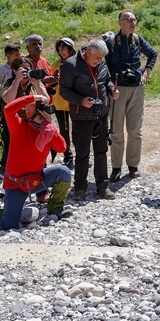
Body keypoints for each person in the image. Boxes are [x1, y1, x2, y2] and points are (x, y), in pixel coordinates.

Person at [0, 94, 74, 230]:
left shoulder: (47, 131)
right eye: (37, 107)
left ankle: (55, 208)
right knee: (7, 226)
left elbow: (62, 147)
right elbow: (8, 109)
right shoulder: (18, 126)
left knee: (64, 172)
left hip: (36, 180)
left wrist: (50, 126)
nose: (41, 111)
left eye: (41, 107)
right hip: (15, 184)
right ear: (27, 113)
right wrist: (32, 97)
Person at [59, 39, 119, 200]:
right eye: (97, 58)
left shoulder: (101, 61)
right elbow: (64, 91)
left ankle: (103, 187)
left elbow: (106, 80)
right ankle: (80, 188)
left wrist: (112, 89)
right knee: (82, 154)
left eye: (101, 59)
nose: (99, 61)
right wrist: (81, 101)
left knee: (101, 151)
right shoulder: (70, 65)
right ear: (88, 52)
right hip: (81, 117)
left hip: (101, 115)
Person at [106, 11, 158, 182]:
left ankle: (133, 166)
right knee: (117, 131)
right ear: (120, 22)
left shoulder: (138, 39)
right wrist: (109, 87)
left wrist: (146, 73)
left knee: (135, 130)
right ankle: (115, 168)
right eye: (128, 20)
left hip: (137, 88)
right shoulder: (111, 42)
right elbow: (102, 65)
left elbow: (153, 54)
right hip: (118, 89)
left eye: (134, 19)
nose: (132, 22)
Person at [0, 42, 21, 176]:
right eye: (16, 55)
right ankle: (4, 167)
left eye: (19, 54)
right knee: (8, 134)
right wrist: (2, 99)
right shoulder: (2, 71)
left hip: (19, 106)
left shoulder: (22, 68)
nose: (19, 56)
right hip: (6, 106)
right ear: (8, 56)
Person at [52, 38, 76, 169]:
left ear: (70, 49)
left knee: (78, 130)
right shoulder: (56, 65)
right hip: (60, 102)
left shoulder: (78, 64)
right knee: (64, 130)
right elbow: (51, 82)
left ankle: (82, 156)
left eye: (64, 48)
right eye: (59, 49)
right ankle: (68, 156)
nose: (61, 51)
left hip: (74, 101)